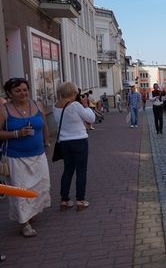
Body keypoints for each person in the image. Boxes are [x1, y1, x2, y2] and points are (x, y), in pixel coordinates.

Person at [0, 78, 51, 236]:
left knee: (40, 187)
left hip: (38, 154)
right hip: (16, 157)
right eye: (18, 91)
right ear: (9, 93)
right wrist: (16, 134)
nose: (23, 93)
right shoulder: (3, 110)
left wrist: (47, 143)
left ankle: (32, 212)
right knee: (21, 190)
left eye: (25, 89)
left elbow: (44, 126)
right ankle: (25, 223)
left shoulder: (37, 105)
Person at [53, 82, 95, 211]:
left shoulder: (55, 106)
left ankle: (64, 199)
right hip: (79, 141)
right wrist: (86, 105)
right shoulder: (76, 105)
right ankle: (80, 200)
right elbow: (91, 118)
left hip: (64, 142)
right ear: (72, 92)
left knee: (68, 170)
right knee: (81, 171)